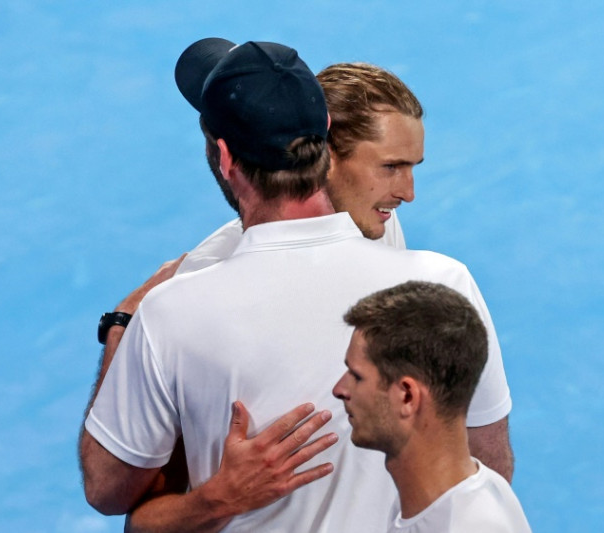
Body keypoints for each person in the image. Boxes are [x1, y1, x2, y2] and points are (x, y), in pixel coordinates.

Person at [80, 37, 512, 532]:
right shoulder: (442, 282)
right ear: (325, 142)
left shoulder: (171, 306)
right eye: (391, 167)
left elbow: (115, 493)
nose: (406, 192)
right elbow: (487, 472)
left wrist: (123, 327)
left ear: (225, 158)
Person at [334, 281, 532, 532]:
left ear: (407, 396)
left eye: (357, 376)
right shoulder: (428, 501)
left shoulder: (462, 525)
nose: (339, 389)